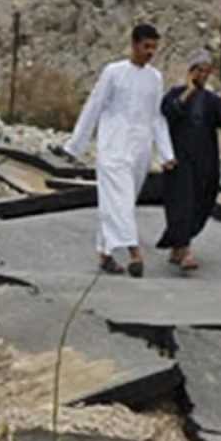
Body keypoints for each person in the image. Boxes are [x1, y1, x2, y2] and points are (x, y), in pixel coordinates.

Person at [64, 23, 175, 278]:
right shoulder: (113, 72)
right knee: (121, 201)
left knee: (118, 202)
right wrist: (75, 145)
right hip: (113, 148)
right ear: (134, 44)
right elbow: (94, 106)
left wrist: (166, 153)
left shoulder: (155, 78)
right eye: (146, 46)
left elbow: (156, 117)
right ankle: (135, 253)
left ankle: (105, 255)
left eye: (154, 48)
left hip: (140, 151)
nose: (150, 52)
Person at [156, 49, 221, 272]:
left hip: (205, 161)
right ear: (191, 71)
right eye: (199, 70)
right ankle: (185, 250)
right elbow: (168, 112)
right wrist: (189, 90)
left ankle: (178, 246)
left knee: (201, 203)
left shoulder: (211, 99)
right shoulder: (176, 94)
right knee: (181, 204)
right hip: (179, 162)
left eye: (207, 71)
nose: (203, 75)